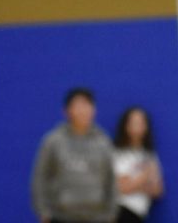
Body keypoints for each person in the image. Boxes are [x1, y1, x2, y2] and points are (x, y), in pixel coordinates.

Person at [31, 88, 117, 223]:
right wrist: (43, 212)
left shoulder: (103, 142)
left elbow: (111, 180)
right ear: (67, 111)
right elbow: (40, 177)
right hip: (61, 216)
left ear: (93, 110)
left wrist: (111, 213)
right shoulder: (53, 140)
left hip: (97, 217)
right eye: (78, 105)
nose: (83, 110)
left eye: (87, 105)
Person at [112, 107, 165, 223]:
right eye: (133, 122)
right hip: (119, 211)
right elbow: (122, 188)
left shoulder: (150, 155)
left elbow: (158, 190)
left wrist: (134, 183)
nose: (137, 126)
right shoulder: (119, 153)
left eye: (141, 122)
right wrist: (145, 175)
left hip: (139, 214)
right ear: (126, 125)